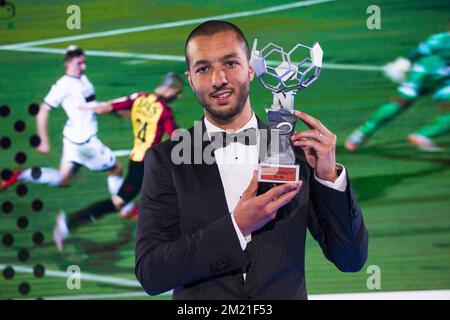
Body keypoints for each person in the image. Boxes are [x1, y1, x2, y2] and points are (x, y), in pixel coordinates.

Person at [135, 20, 368, 300]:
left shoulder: (295, 151)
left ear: (251, 69)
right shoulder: (166, 160)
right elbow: (151, 273)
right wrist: (237, 227)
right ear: (190, 79)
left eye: (230, 63)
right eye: (203, 68)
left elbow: (350, 259)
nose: (218, 79)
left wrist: (329, 178)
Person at [52, 72, 184, 252]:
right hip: (145, 165)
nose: (178, 97)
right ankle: (69, 223)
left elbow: (107, 107)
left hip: (136, 159)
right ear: (169, 89)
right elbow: (175, 136)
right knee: (119, 202)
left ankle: (165, 234)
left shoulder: (139, 97)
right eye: (177, 93)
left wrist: (84, 109)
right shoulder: (164, 111)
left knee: (164, 195)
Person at [1, 45, 124, 194]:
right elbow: (43, 110)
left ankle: (20, 175)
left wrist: (113, 111)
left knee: (63, 179)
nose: (83, 66)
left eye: (84, 62)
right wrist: (43, 141)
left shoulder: (83, 79)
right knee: (117, 170)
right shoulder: (63, 86)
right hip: (86, 144)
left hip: (72, 139)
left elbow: (91, 105)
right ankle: (126, 208)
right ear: (68, 63)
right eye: (79, 63)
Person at [345, 32, 450, 152]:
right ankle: (423, 135)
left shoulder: (439, 38)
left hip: (422, 72)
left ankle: (361, 134)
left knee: (401, 101)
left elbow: (418, 52)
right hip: (441, 77)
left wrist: (401, 64)